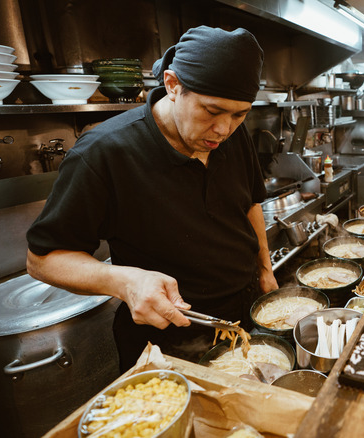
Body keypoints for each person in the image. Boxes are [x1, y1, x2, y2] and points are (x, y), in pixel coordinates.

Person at [25, 26, 278, 372]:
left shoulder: (233, 134)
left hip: (244, 316)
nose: (224, 129)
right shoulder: (105, 153)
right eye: (211, 110)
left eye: (239, 114)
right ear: (173, 85)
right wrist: (125, 282)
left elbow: (250, 202)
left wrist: (265, 270)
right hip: (167, 342)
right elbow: (42, 259)